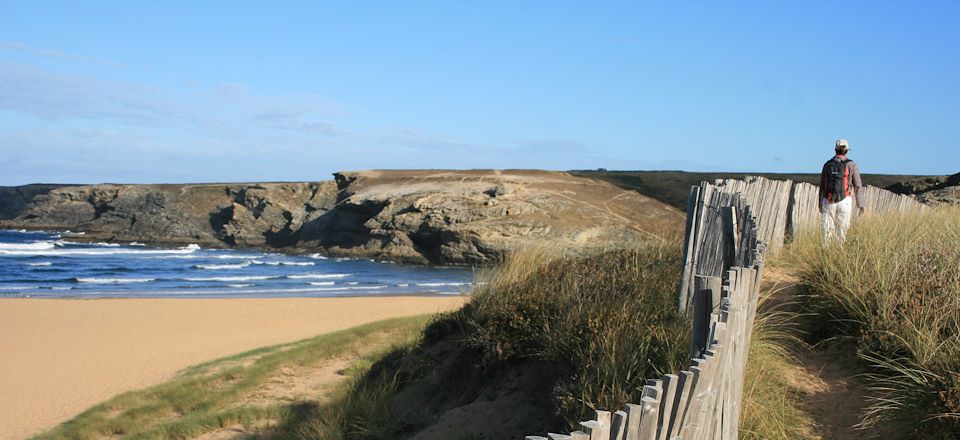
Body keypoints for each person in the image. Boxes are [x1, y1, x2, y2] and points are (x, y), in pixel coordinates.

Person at [819, 138, 866, 244]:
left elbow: (822, 186)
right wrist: (861, 205)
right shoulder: (851, 165)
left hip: (828, 200)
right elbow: (858, 186)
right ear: (847, 150)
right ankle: (839, 256)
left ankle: (826, 255)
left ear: (835, 150)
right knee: (842, 232)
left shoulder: (827, 165)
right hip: (845, 200)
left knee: (827, 232)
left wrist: (820, 203)